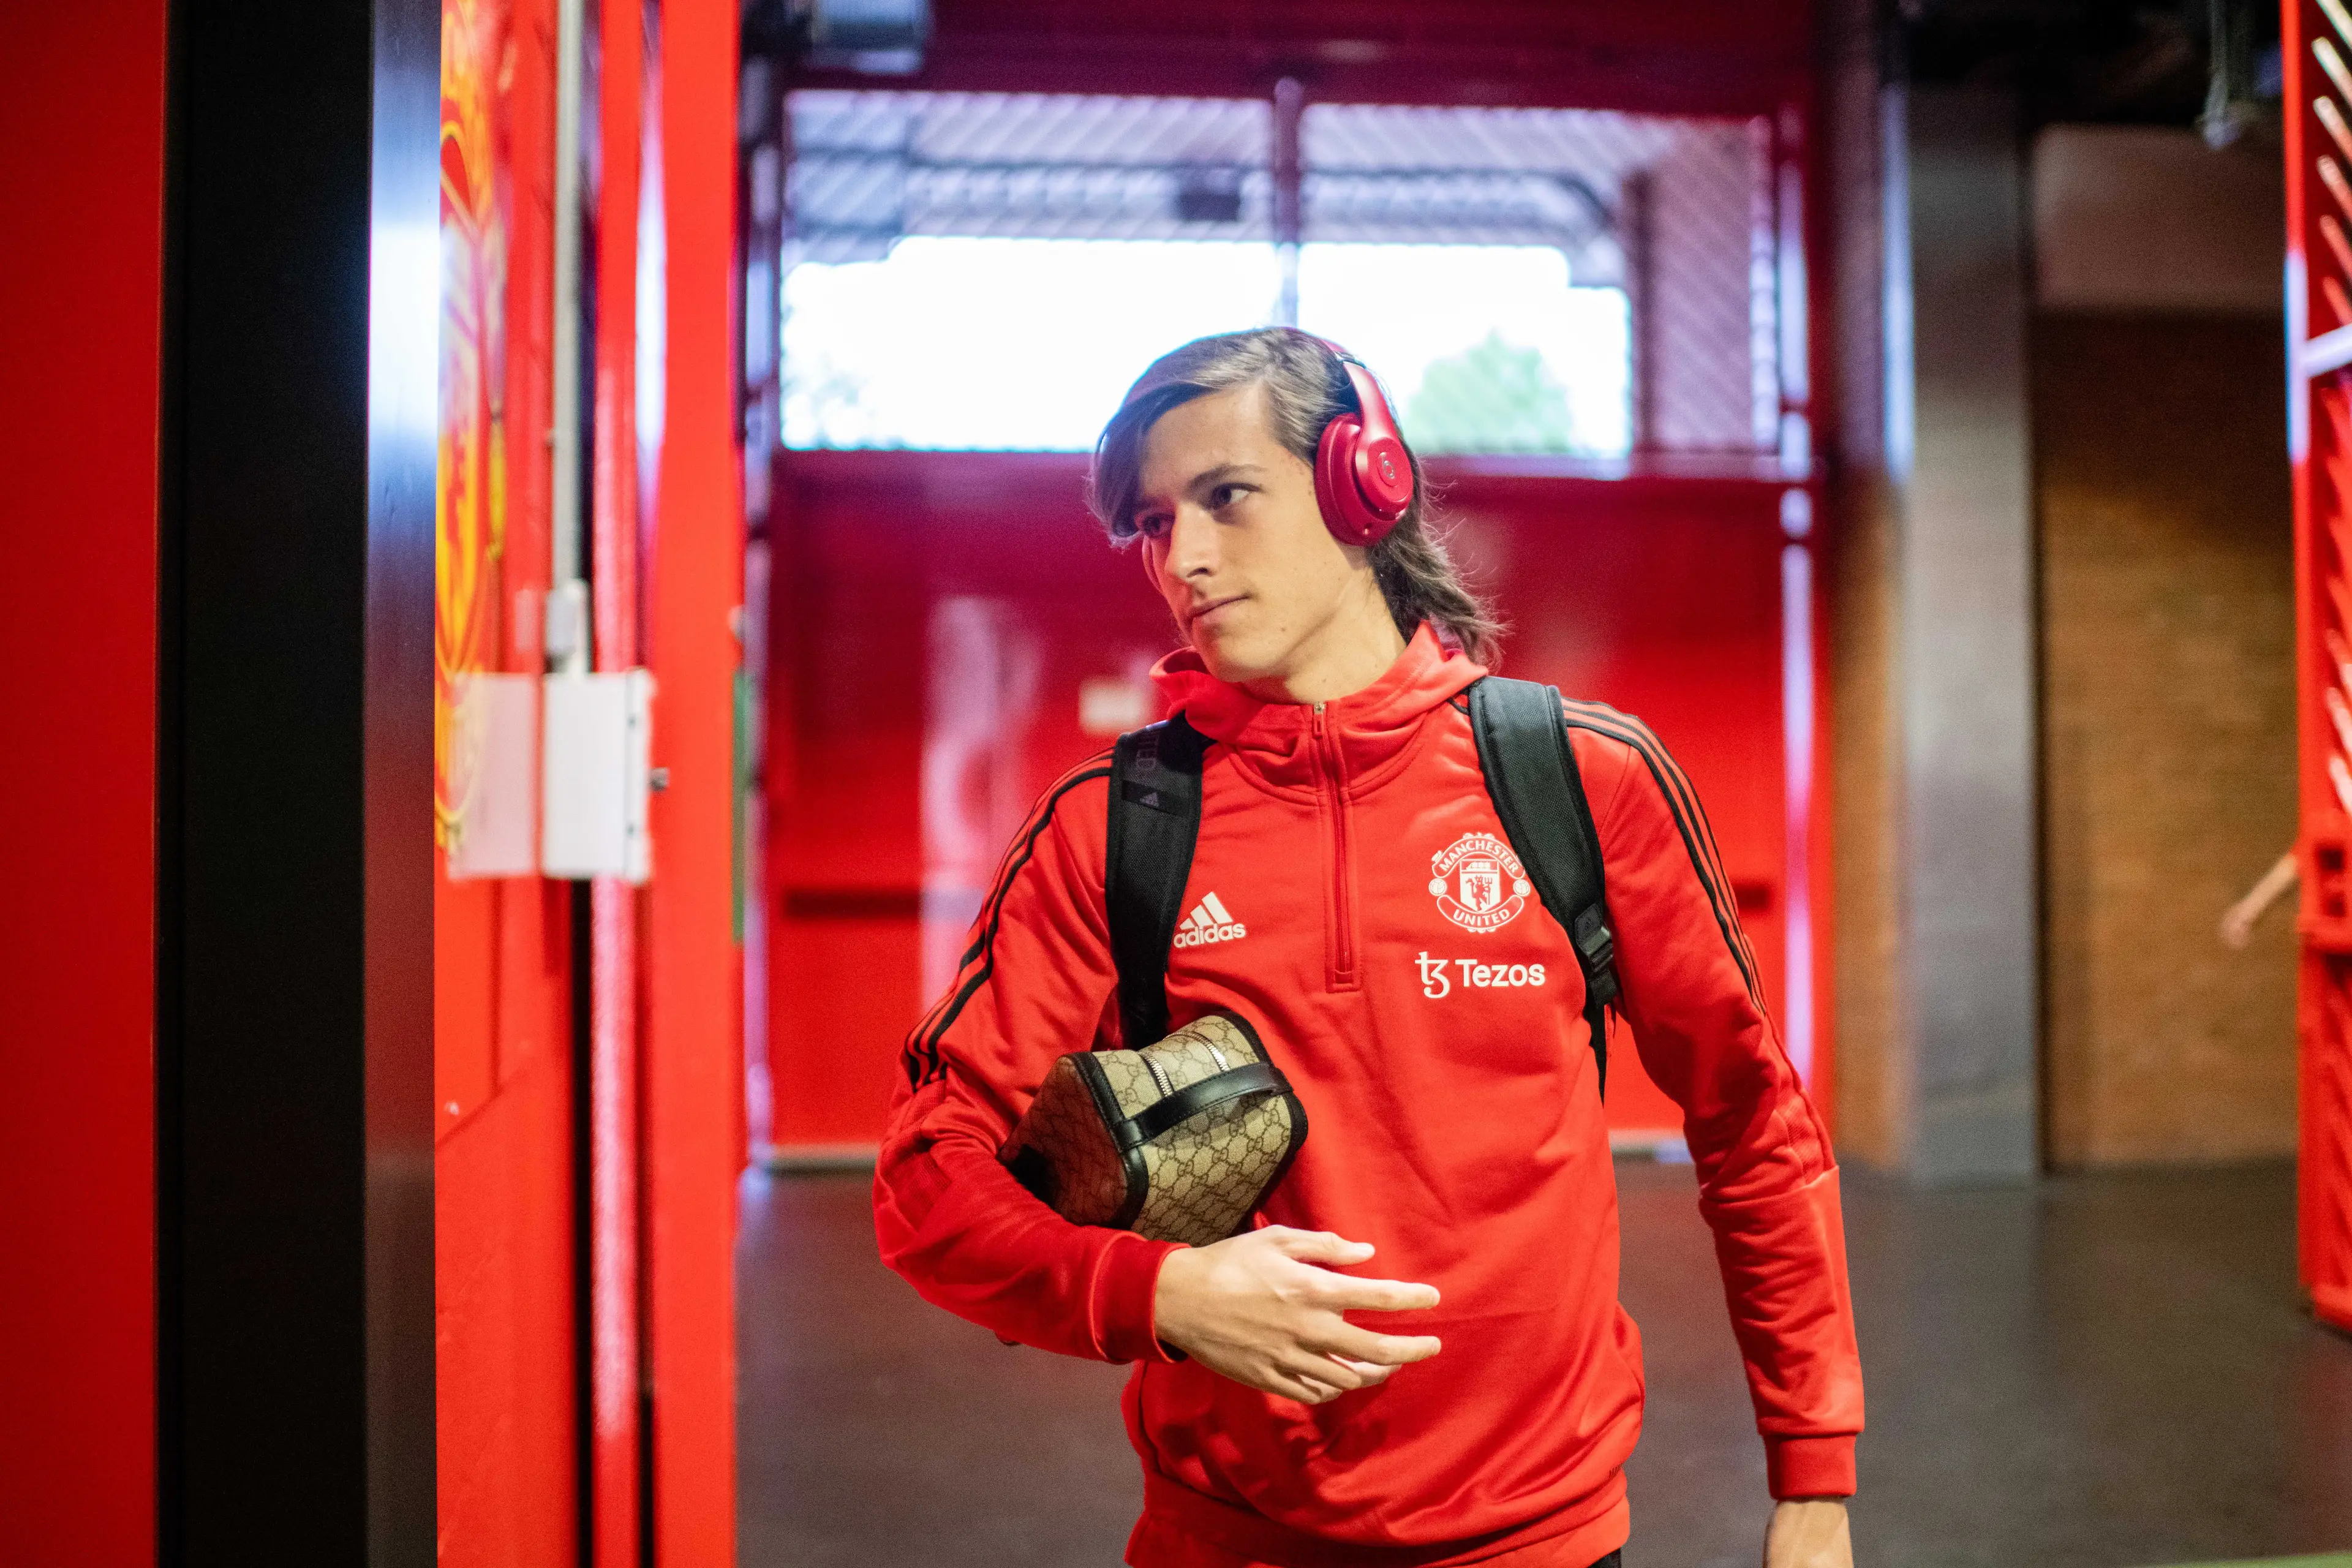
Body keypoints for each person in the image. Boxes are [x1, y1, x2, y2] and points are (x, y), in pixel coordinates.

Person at [873, 328, 1863, 1568]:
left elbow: (1753, 1120)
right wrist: (1159, 1293)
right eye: (1151, 522)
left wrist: (1813, 1472)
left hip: (1543, 1542)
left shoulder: (1578, 779)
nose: (1181, 556)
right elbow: (925, 1181)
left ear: (1363, 486)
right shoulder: (1111, 827)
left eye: (1227, 496)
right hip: (1227, 1542)